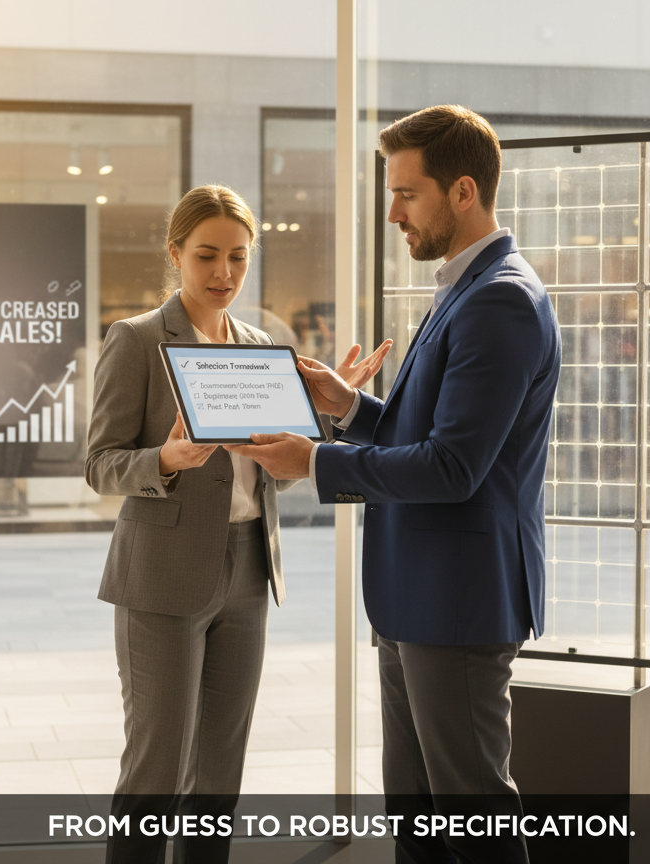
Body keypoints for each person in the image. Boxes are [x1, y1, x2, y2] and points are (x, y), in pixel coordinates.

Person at [228, 106, 561, 864]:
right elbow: (435, 437)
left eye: (407, 194)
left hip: (458, 600)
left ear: (464, 191)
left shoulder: (500, 300)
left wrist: (312, 462)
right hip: (419, 596)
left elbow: (453, 468)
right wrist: (350, 408)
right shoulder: (466, 288)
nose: (392, 212)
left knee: (472, 818)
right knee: (417, 815)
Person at [84, 185, 389, 864]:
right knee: (155, 775)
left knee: (220, 777)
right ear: (175, 254)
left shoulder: (260, 345)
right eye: (207, 256)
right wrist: (165, 457)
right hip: (162, 576)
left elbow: (275, 469)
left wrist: (325, 418)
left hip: (249, 569)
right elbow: (100, 465)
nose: (224, 273)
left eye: (238, 259)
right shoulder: (134, 340)